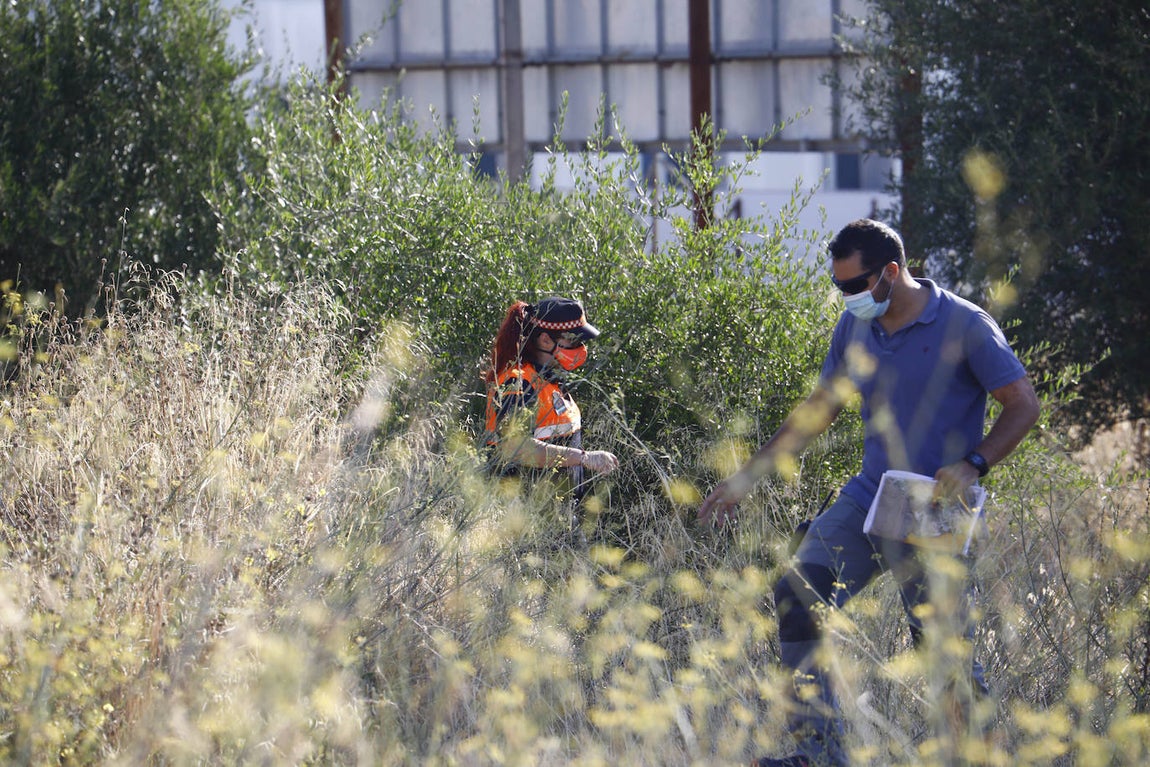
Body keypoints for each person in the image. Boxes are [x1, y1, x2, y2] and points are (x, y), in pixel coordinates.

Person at [698, 219, 1040, 767]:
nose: (847, 296)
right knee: (797, 594)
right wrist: (746, 477)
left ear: (891, 272)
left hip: (934, 509)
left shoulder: (965, 324)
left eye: (855, 285)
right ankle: (818, 754)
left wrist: (974, 464)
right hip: (869, 496)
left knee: (943, 655)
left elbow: (1023, 404)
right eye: (840, 286)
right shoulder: (854, 326)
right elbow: (819, 411)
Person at [483, 296, 618, 533]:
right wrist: (583, 458)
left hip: (557, 521)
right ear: (545, 339)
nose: (581, 349)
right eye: (574, 340)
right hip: (524, 525)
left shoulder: (549, 379)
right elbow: (515, 446)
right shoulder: (519, 383)